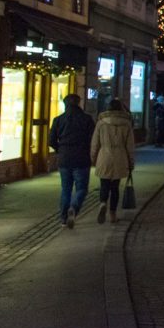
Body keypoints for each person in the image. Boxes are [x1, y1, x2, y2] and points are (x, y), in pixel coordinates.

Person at [48, 94, 95, 228]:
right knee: (81, 188)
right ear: (79, 103)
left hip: (64, 159)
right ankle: (74, 207)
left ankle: (63, 217)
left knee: (66, 189)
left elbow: (51, 141)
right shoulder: (87, 119)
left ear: (65, 104)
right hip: (81, 158)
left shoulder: (58, 120)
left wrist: (60, 149)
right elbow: (93, 138)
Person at [90, 99, 135, 224]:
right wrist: (131, 161)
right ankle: (112, 214)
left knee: (104, 184)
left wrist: (93, 157)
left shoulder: (101, 123)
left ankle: (103, 202)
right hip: (120, 156)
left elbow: (95, 142)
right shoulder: (126, 123)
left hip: (104, 154)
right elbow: (130, 145)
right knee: (115, 187)